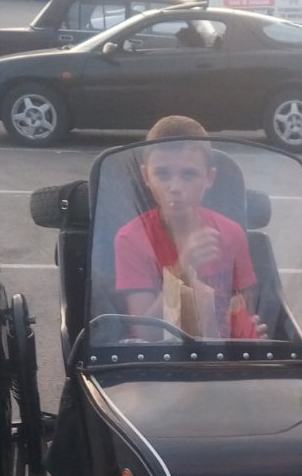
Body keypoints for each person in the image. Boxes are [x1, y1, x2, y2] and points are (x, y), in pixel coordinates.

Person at [113, 115, 265, 339]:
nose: (175, 187)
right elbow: (145, 333)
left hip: (218, 353)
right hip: (160, 356)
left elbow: (241, 311)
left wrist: (247, 333)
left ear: (209, 178)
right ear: (146, 176)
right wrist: (182, 271)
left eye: (189, 174)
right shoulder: (131, 239)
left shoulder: (231, 234)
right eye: (162, 174)